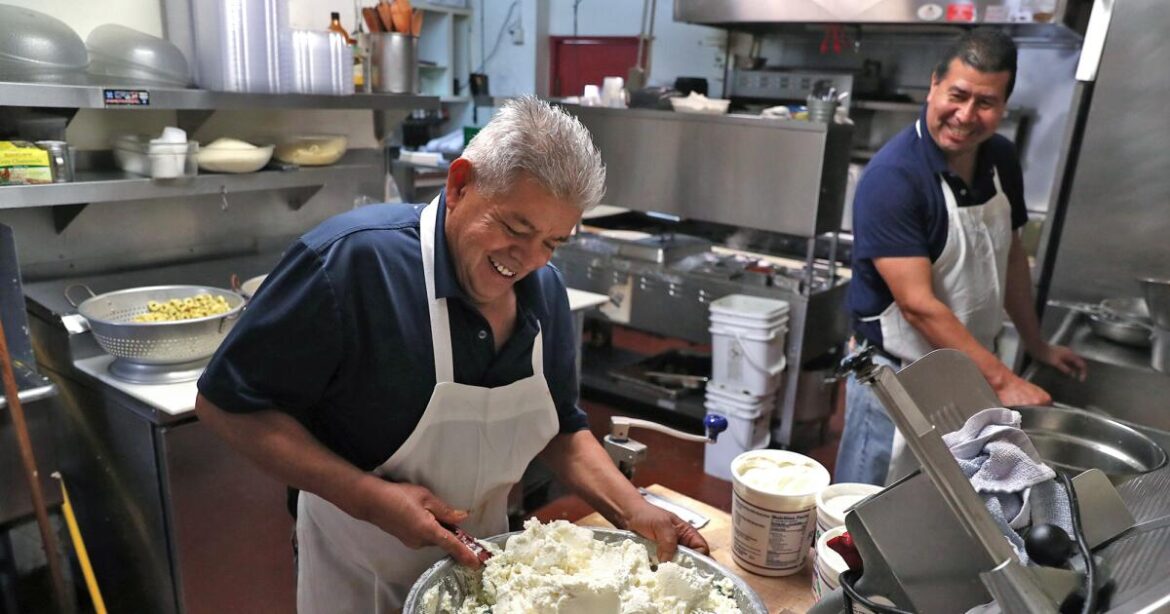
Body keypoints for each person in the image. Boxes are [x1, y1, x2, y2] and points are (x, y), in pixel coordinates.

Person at [194, 96, 707, 612]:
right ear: (460, 185)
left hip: (483, 582)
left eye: (552, 243)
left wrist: (633, 509)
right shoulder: (352, 264)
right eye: (516, 229)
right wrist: (368, 498)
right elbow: (227, 407)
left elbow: (562, 431)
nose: (529, 261)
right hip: (359, 578)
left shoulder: (545, 292)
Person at [835, 29, 1087, 486]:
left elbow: (1010, 257)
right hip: (898, 379)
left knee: (945, 498)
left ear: (1004, 105)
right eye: (958, 95)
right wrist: (1002, 380)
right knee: (867, 501)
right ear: (934, 85)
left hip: (969, 368)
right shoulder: (893, 178)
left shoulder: (1001, 158)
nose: (966, 116)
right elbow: (917, 305)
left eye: (985, 102)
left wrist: (1036, 344)